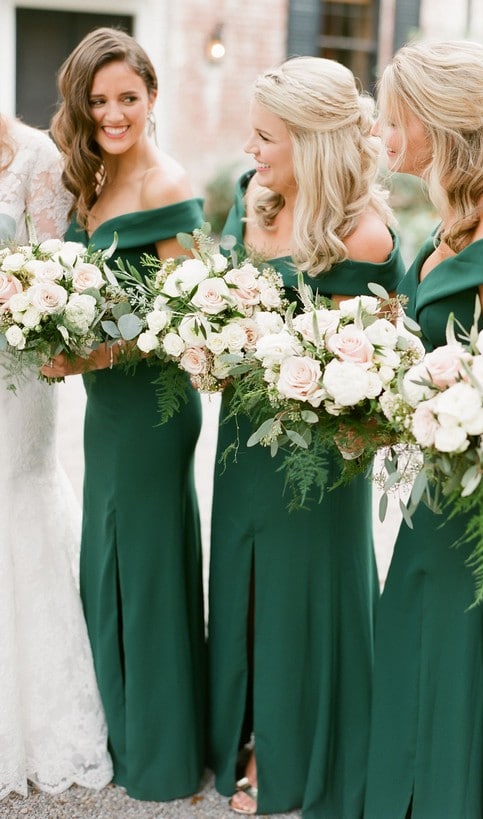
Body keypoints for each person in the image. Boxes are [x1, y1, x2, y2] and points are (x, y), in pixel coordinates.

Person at [207, 56, 404, 817]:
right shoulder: (254, 197)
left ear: (315, 144)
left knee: (301, 598)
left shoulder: (365, 235)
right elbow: (226, 294)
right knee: (245, 583)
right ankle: (244, 734)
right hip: (242, 434)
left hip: (318, 452)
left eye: (266, 138)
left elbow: (381, 368)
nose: (252, 152)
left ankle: (298, 754)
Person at [363, 40, 483, 819]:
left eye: (393, 110)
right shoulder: (456, 215)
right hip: (430, 489)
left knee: (450, 665)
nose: (381, 125)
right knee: (412, 645)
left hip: (472, 504)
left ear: (435, 120)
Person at [40, 28, 206, 801]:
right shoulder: (93, 178)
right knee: (108, 562)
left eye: (127, 99)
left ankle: (161, 753)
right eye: (99, 100)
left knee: (145, 570)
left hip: (150, 408)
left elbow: (186, 318)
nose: (113, 113)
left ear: (152, 98)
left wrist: (87, 354)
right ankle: (120, 724)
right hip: (107, 412)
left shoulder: (166, 185)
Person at [0, 114, 113, 798]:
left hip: (15, 370)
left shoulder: (37, 157)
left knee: (18, 488)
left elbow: (53, 274)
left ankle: (43, 716)